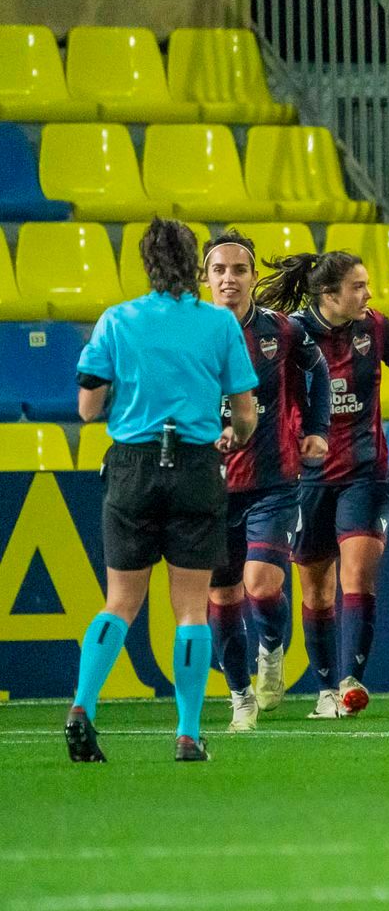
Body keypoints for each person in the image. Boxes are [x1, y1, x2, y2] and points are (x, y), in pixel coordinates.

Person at [65, 219, 259, 763]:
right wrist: (230, 436)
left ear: (146, 263)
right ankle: (189, 733)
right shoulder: (219, 326)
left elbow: (87, 407)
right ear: (196, 265)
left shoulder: (118, 320)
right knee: (191, 610)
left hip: (131, 466)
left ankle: (82, 706)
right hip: (196, 466)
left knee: (120, 603)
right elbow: (245, 415)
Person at [258, 251, 389, 719]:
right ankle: (324, 692)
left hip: (365, 471)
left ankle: (350, 680)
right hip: (306, 478)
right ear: (329, 294)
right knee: (316, 591)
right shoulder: (290, 333)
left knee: (358, 575)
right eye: (358, 286)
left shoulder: (375, 327)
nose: (368, 294)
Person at [204, 232, 330, 730]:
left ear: (254, 277)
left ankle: (273, 651)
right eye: (220, 270)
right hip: (209, 491)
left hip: (273, 482)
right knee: (222, 598)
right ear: (206, 278)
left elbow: (318, 374)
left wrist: (318, 430)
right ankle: (240, 697)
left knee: (260, 585)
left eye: (239, 269)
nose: (230, 278)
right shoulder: (191, 333)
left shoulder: (283, 331)